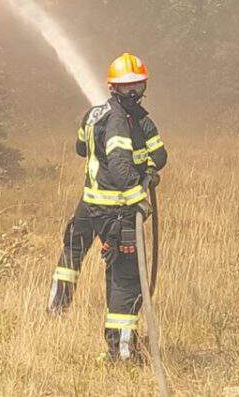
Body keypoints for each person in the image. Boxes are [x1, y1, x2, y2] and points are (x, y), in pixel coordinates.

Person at [47, 52, 168, 362]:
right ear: (114, 87)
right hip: (116, 209)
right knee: (126, 279)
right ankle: (123, 353)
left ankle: (57, 306)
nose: (133, 92)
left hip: (91, 203)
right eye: (127, 87)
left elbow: (81, 148)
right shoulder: (118, 121)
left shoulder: (102, 115)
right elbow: (118, 164)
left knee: (73, 249)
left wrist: (149, 166)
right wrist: (137, 196)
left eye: (137, 86)